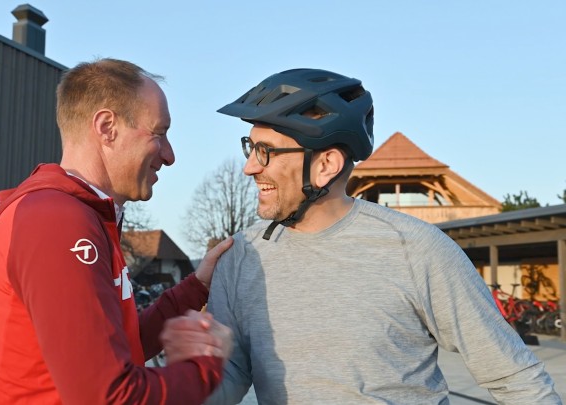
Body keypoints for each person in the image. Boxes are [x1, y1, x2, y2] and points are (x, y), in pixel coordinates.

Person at [205, 68, 561, 404]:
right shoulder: (240, 257)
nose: (250, 166)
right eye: (249, 147)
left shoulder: (417, 249)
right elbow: (234, 374)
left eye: (265, 151)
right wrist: (176, 380)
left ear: (326, 165)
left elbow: (515, 378)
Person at [0, 58, 233, 404]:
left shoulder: (84, 214)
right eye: (159, 133)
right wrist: (206, 364)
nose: (170, 156)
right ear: (107, 127)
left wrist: (195, 288)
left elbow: (118, 349)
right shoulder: (56, 221)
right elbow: (109, 396)